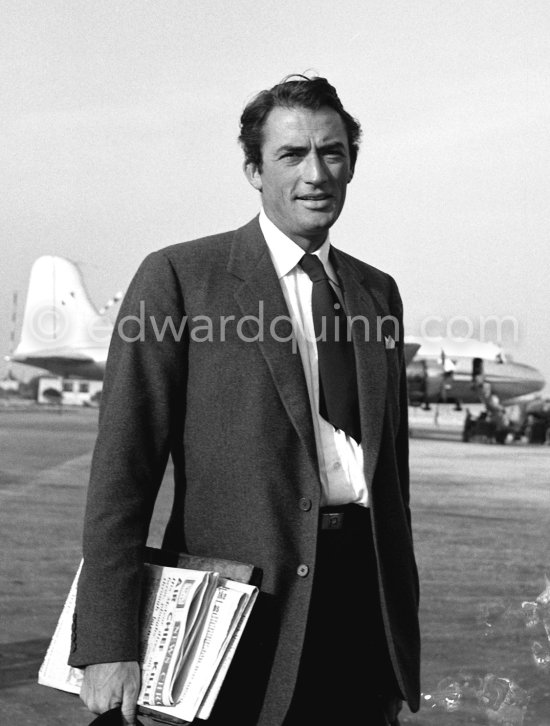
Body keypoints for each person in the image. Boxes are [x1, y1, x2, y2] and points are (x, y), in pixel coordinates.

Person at [69, 74, 421, 726]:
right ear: (254, 170)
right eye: (292, 155)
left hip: (358, 622)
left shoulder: (379, 294)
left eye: (333, 152)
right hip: (236, 615)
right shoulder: (179, 277)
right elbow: (124, 472)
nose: (316, 173)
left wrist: (398, 651)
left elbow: (390, 485)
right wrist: (107, 640)